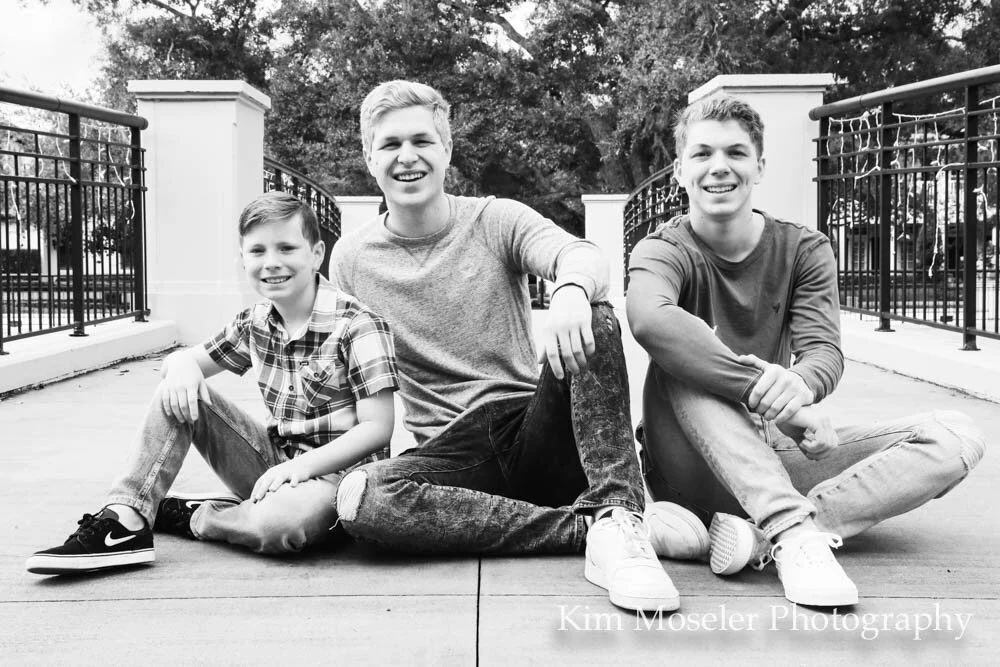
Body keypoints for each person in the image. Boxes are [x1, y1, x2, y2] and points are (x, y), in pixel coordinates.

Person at [330, 80, 693, 613]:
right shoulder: (351, 259)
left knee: (595, 317)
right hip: (451, 456)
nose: (407, 156)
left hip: (531, 427)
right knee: (364, 498)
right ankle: (587, 530)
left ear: (446, 150)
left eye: (422, 141)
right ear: (369, 157)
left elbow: (584, 255)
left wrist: (569, 291)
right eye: (390, 144)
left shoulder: (495, 219)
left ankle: (617, 511)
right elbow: (359, 376)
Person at [627, 95, 987, 607]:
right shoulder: (662, 249)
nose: (719, 166)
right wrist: (766, 393)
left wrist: (799, 384)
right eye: (702, 153)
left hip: (770, 454)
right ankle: (793, 534)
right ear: (680, 170)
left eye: (736, 152)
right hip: (686, 463)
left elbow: (823, 353)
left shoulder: (803, 249)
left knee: (955, 435)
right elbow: (650, 318)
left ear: (760, 166)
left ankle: (768, 536)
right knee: (683, 358)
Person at [27, 192, 399, 574]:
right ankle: (127, 518)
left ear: (317, 253)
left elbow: (377, 428)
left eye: (287, 248)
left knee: (280, 526)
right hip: (272, 463)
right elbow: (185, 361)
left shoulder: (358, 325)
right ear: (243, 260)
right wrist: (181, 364)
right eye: (258, 251)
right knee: (176, 388)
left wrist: (302, 469)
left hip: (341, 478)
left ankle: (196, 516)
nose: (271, 262)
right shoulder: (255, 322)